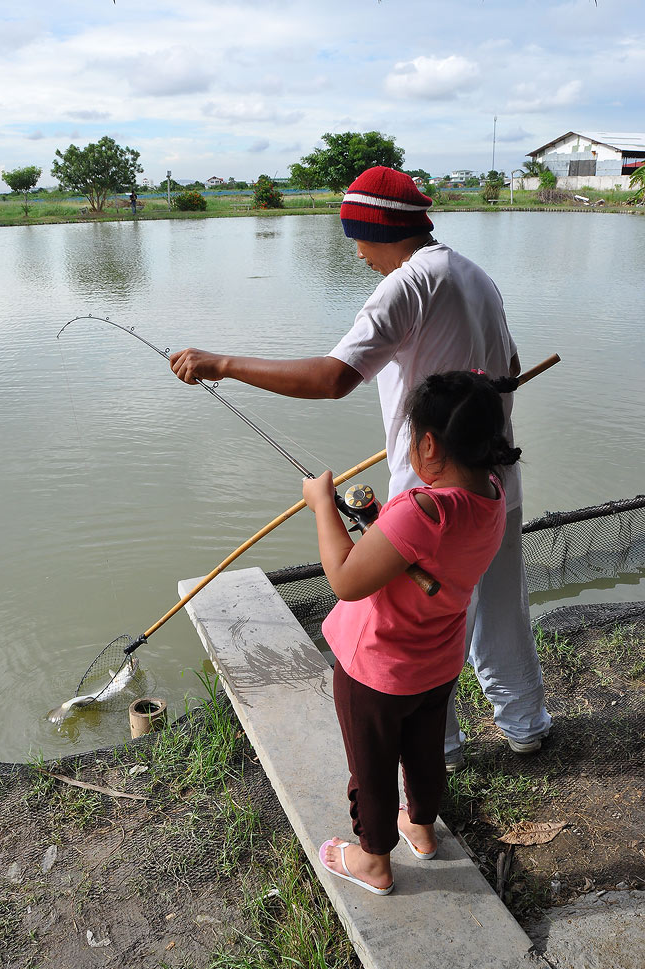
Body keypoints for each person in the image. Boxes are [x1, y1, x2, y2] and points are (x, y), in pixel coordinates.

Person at [169, 165, 551, 768]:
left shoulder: (407, 284)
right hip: (495, 480)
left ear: (373, 230)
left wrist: (223, 363)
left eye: (357, 241)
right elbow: (511, 365)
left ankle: (441, 745)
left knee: (421, 623)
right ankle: (525, 722)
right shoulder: (477, 276)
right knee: (501, 603)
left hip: (428, 494)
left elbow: (332, 378)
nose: (358, 256)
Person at [303, 370, 518, 894]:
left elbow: (346, 580)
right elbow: (421, 551)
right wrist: (382, 525)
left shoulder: (422, 511)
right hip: (438, 662)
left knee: (370, 769)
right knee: (424, 752)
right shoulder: (493, 495)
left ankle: (373, 860)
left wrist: (322, 507)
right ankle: (420, 827)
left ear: (428, 443)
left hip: (374, 670)